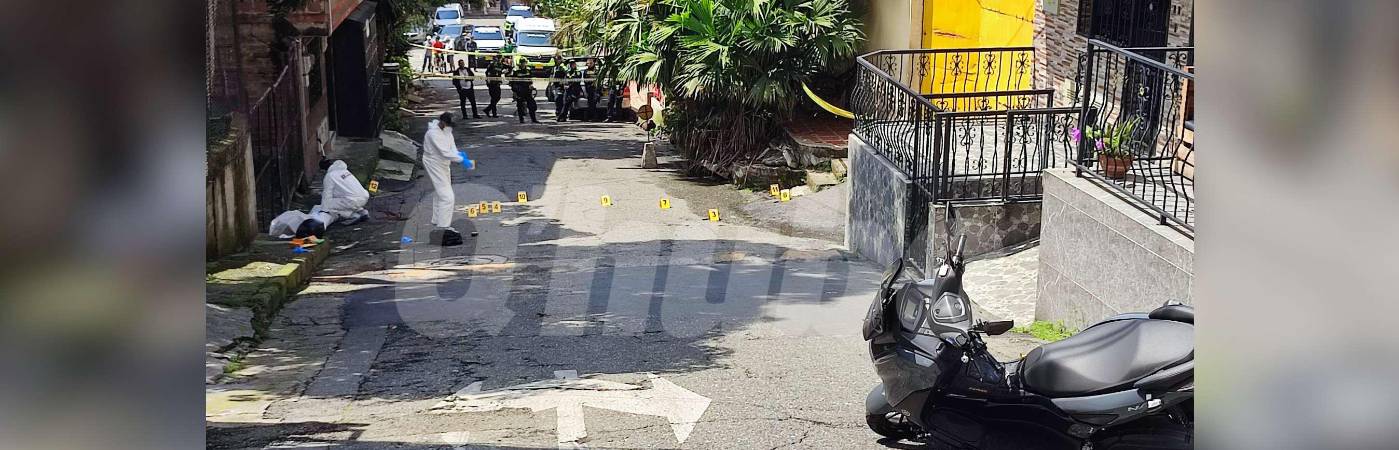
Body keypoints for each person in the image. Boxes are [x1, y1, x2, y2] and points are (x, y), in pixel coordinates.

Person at [422, 112, 467, 245]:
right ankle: (443, 226)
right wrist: (462, 160)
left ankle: (438, 222)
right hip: (434, 163)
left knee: (440, 193)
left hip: (443, 163)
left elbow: (451, 148)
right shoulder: (433, 133)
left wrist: (459, 154)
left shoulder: (447, 130)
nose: (449, 128)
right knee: (447, 196)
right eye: (448, 125)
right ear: (442, 122)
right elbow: (444, 152)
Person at [318, 159, 370, 225]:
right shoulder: (345, 171)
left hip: (352, 200)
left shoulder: (330, 176)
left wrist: (324, 210)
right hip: (364, 197)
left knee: (328, 206)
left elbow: (327, 194)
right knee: (347, 200)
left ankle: (353, 216)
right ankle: (362, 211)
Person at [509, 57, 539, 123]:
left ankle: (533, 119)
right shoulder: (516, 70)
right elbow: (512, 82)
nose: (523, 64)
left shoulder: (528, 70)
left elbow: (530, 79)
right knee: (520, 106)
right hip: (519, 90)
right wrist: (514, 91)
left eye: (524, 63)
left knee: (532, 105)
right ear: (520, 63)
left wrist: (531, 85)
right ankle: (521, 119)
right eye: (522, 63)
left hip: (528, 91)